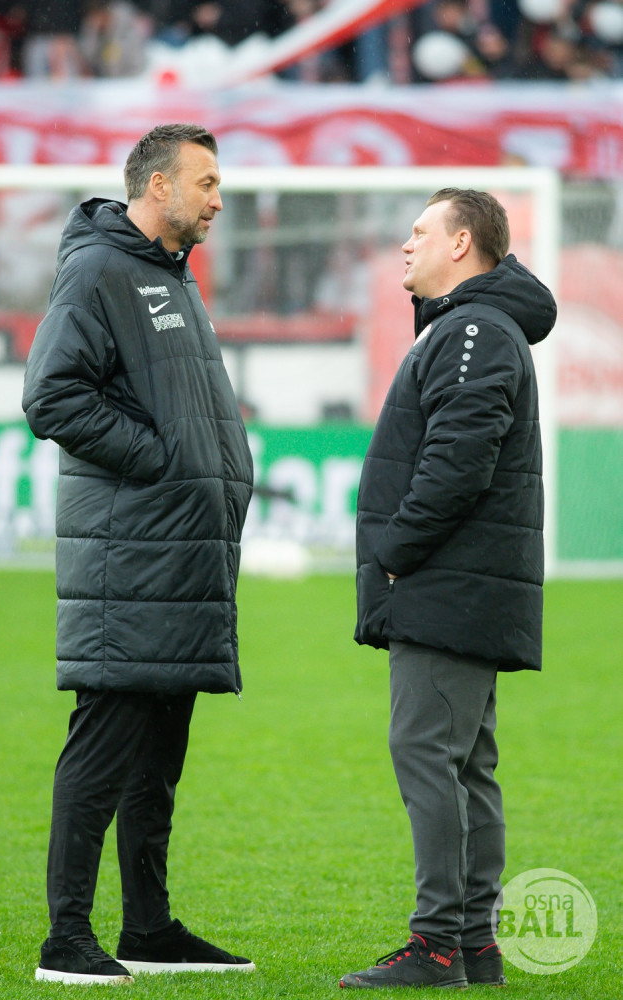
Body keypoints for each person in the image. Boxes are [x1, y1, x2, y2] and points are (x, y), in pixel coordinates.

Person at [22, 123, 255, 986]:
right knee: (103, 748)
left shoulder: (170, 273)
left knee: (157, 760)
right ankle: (66, 939)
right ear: (159, 187)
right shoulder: (98, 269)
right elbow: (52, 395)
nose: (218, 200)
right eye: (207, 182)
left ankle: (148, 930)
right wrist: (161, 462)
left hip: (178, 561)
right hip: (131, 561)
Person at [341, 189, 556, 989]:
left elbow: (460, 458)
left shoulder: (473, 329)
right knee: (463, 765)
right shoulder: (475, 326)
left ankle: (437, 945)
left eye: (420, 231)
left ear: (462, 243)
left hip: (447, 584)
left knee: (429, 754)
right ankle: (472, 946)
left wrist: (395, 552)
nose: (406, 245)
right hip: (462, 584)